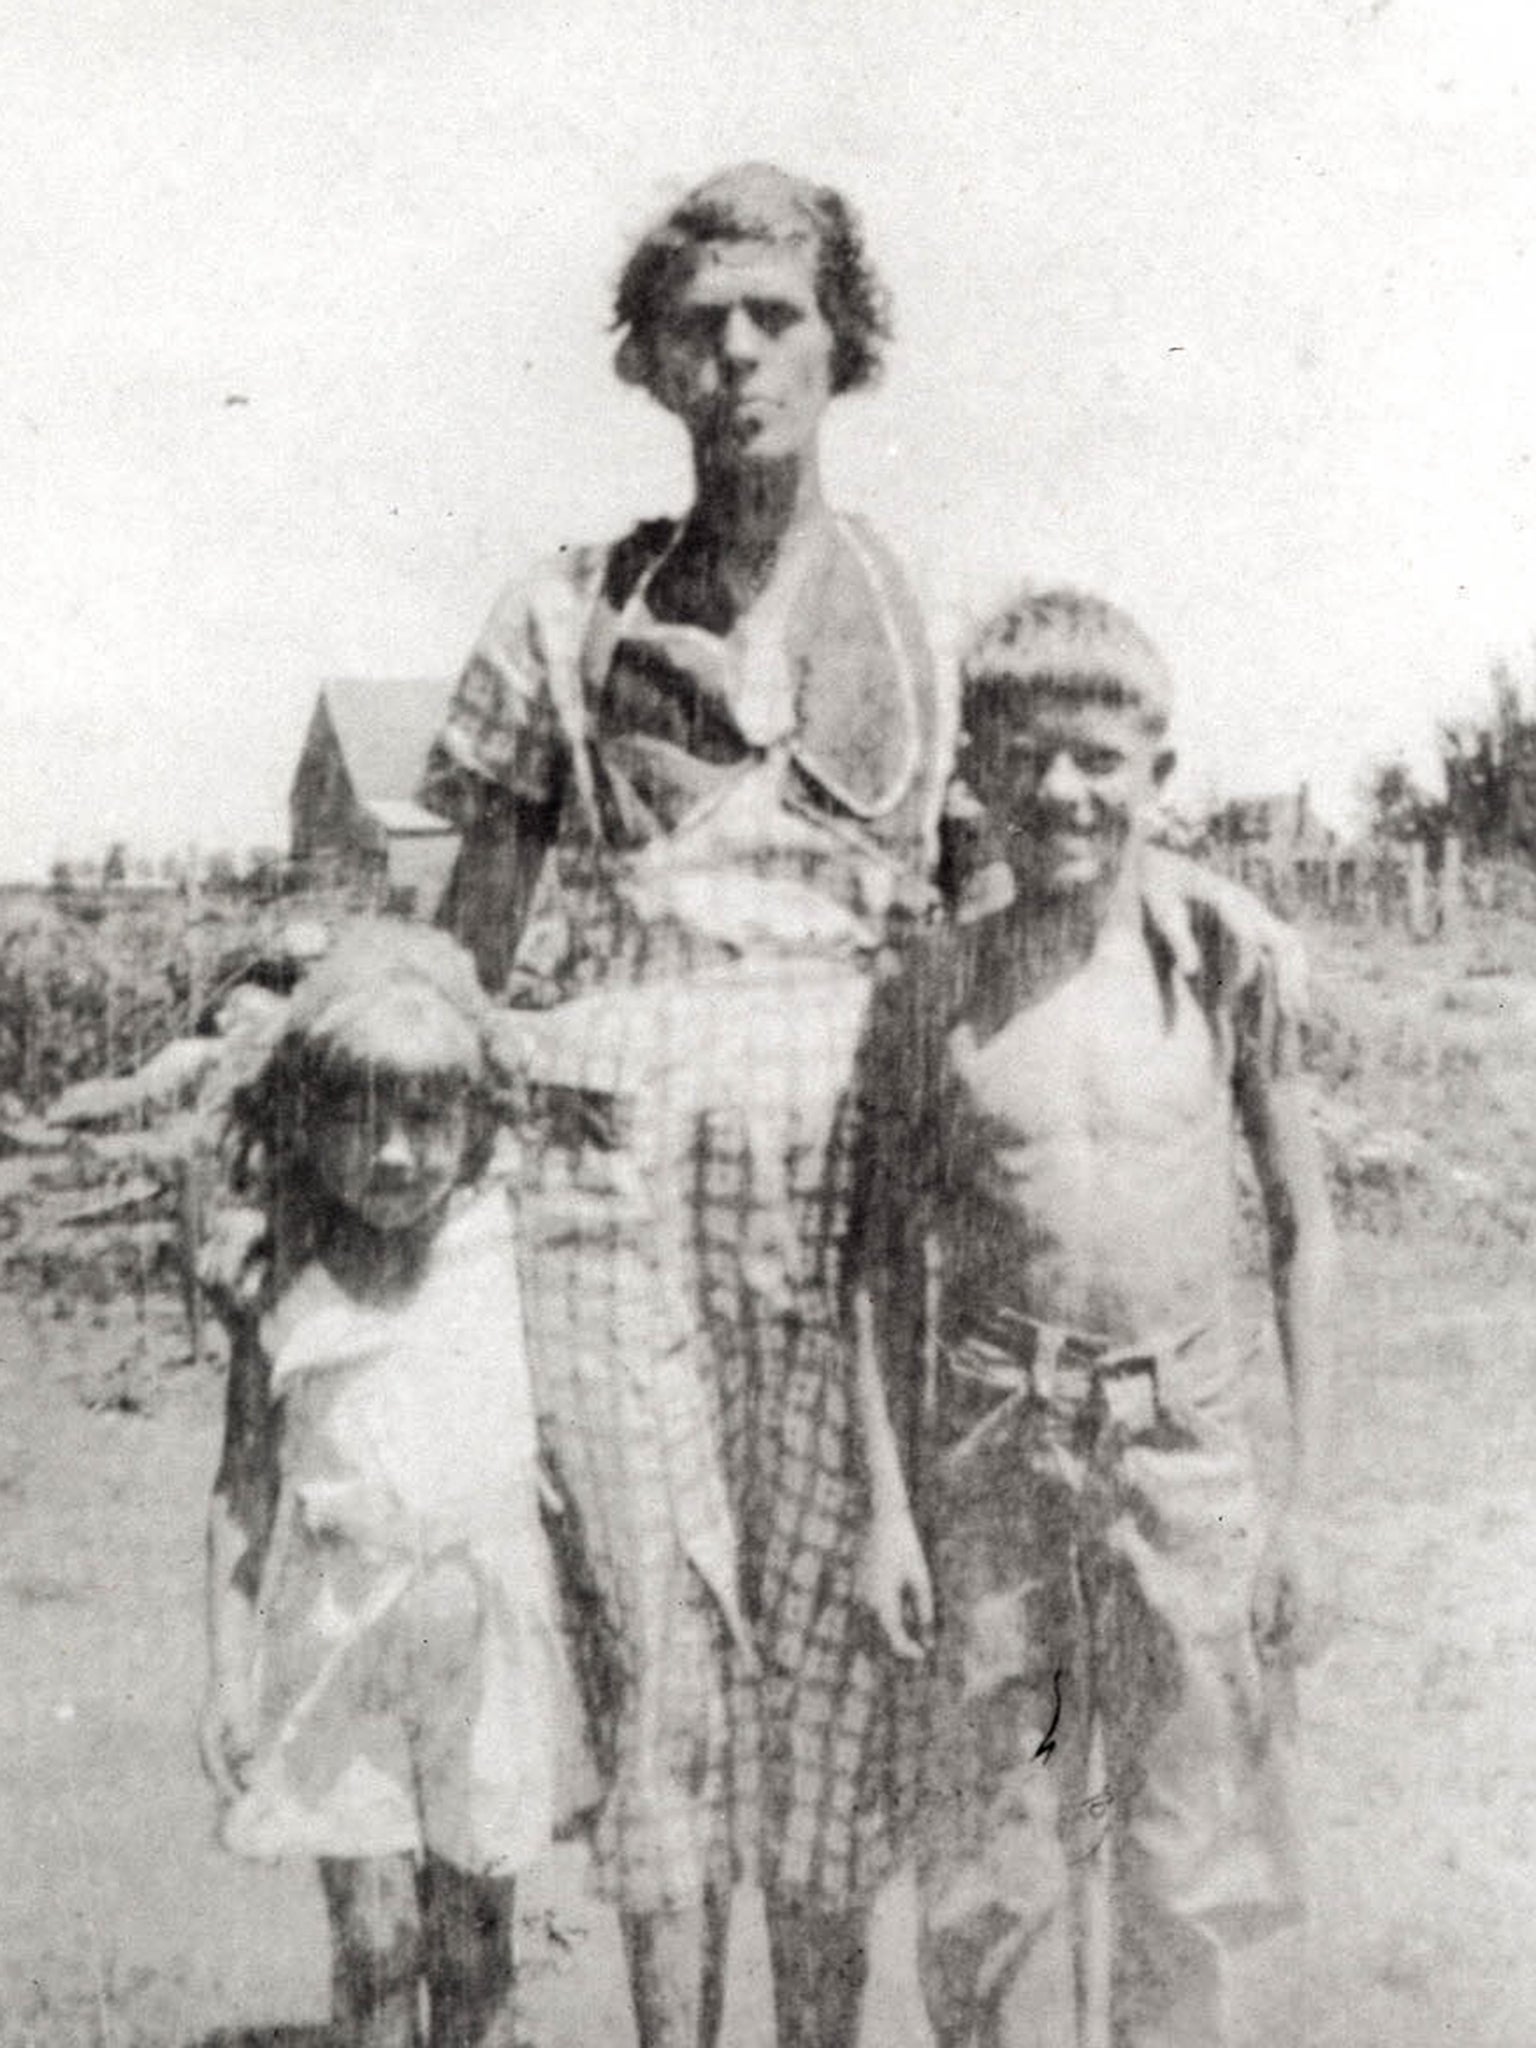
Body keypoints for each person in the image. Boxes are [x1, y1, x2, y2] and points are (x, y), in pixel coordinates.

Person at [420, 163, 945, 2047]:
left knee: (827, 1655)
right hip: (608, 1194)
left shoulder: (928, 632)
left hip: (838, 1217)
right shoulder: (560, 621)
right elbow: (458, 963)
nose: (736, 355)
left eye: (775, 316)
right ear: (647, 360)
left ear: (840, 341)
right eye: (697, 324)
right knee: (657, 1650)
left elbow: (1002, 941)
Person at [846, 588, 1336, 2047]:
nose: (1063, 791)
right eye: (1027, 756)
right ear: (978, 774)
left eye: (1100, 760)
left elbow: (1308, 1232)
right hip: (997, 1460)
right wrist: (888, 1508)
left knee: (1192, 1858)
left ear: (1156, 777)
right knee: (997, 1871)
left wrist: (1303, 1506)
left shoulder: (1222, 972)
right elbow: (877, 1262)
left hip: (1183, 1460)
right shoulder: (933, 995)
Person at [199, 921, 587, 2048]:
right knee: (375, 1942)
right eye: (358, 1119)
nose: (396, 1154)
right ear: (303, 1121)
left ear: (475, 1127)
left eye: (427, 1119)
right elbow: (241, 1491)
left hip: (487, 1639)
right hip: (338, 1641)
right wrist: (226, 1672)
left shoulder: (508, 1249)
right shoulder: (282, 1284)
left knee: (475, 1942)